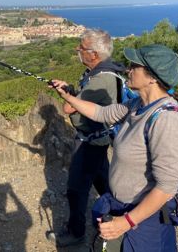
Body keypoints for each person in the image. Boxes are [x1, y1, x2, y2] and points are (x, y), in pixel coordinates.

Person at [51, 44, 178, 252]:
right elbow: (101, 113)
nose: (127, 69)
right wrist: (69, 97)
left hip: (144, 222)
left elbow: (167, 187)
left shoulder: (167, 119)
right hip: (125, 210)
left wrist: (127, 222)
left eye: (134, 66)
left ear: (152, 77)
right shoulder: (136, 105)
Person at [52, 29, 126, 248]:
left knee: (76, 189)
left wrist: (65, 94)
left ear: (93, 54)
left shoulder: (99, 80)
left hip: (90, 142)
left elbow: (69, 107)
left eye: (81, 48)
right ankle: (119, 217)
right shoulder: (106, 71)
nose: (78, 50)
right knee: (104, 182)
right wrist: (71, 91)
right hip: (101, 140)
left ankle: (76, 233)